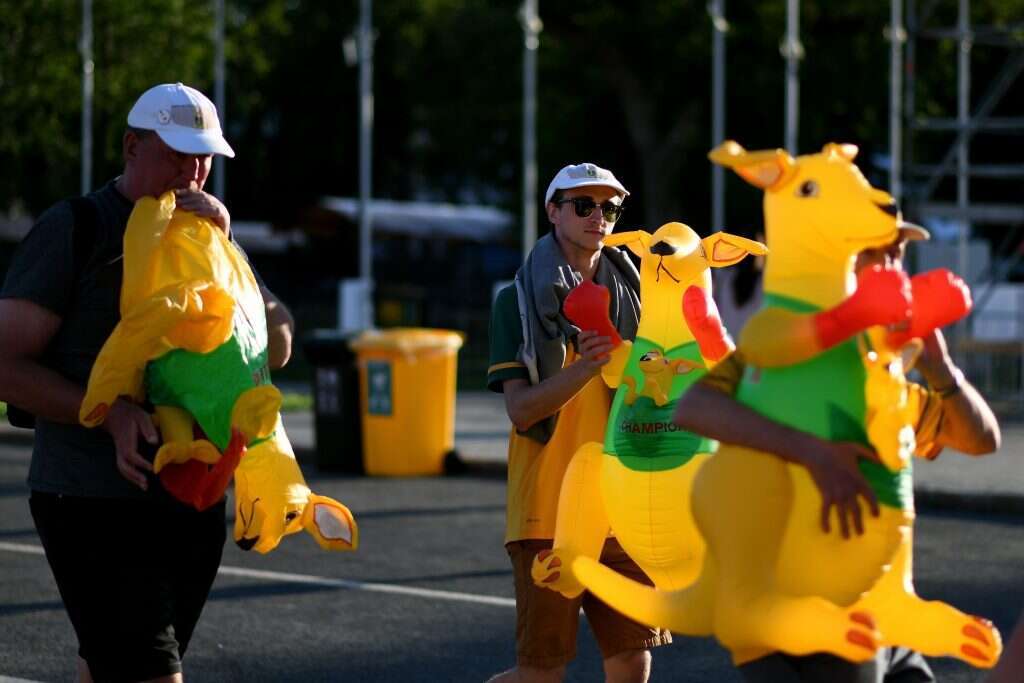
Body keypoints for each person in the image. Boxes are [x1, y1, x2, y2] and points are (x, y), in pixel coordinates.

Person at [0, 82, 294, 683]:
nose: (192, 172)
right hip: (89, 499)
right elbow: (5, 362)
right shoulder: (79, 227)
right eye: (176, 154)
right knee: (152, 673)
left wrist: (228, 250)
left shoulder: (209, 235)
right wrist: (108, 412)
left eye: (203, 157)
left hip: (190, 501)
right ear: (132, 147)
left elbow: (280, 343)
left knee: (110, 669)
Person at [673, 224, 1001, 682]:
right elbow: (695, 408)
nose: (893, 267)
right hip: (806, 617)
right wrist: (813, 452)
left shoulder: (882, 373)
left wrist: (941, 368)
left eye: (897, 254)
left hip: (883, 613)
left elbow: (981, 440)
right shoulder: (787, 351)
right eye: (876, 253)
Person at [485, 163, 671, 683]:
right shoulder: (516, 302)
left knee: (632, 659)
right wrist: (587, 367)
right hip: (546, 511)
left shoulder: (640, 298)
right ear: (553, 212)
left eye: (609, 207)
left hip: (622, 510)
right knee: (542, 671)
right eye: (583, 205)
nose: (598, 216)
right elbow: (522, 410)